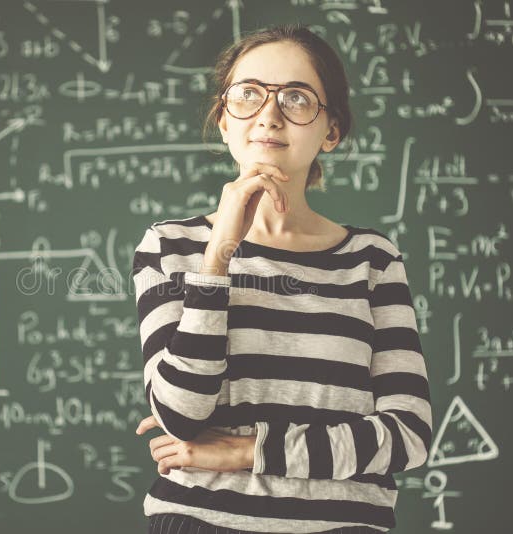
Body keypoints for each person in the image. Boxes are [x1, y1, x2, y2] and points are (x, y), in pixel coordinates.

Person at [132, 24, 432, 534]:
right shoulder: (169, 246)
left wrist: (250, 451)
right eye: (248, 94)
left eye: (296, 98)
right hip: (200, 521)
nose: (269, 115)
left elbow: (407, 435)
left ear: (331, 131)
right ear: (224, 120)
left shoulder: (373, 259)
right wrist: (218, 258)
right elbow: (181, 415)